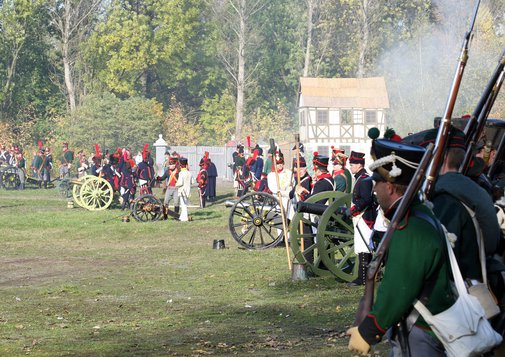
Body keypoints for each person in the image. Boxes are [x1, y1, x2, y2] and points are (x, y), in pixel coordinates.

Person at [348, 139, 454, 356]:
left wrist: (369, 331)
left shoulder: (410, 229)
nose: (374, 190)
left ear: (389, 186)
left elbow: (399, 288)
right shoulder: (420, 215)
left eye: (377, 184)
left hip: (422, 331)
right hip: (418, 327)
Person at [348, 151, 377, 286]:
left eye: (352, 164)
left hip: (365, 217)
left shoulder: (364, 179)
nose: (350, 166)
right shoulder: (361, 178)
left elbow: (367, 199)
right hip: (361, 216)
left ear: (359, 165)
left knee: (364, 246)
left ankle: (363, 278)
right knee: (362, 247)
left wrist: (354, 209)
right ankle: (365, 277)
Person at [175, 157, 192, 222]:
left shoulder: (181, 173)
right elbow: (192, 182)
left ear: (181, 165)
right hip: (188, 191)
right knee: (184, 205)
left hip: (182, 191)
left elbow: (180, 183)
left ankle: (185, 218)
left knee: (183, 205)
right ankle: (181, 217)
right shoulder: (189, 173)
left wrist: (176, 184)